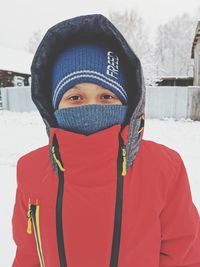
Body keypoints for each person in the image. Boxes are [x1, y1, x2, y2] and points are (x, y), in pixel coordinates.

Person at [12, 14, 200, 267]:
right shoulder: (31, 169)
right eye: (75, 98)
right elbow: (28, 254)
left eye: (106, 96)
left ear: (128, 102)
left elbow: (183, 254)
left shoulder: (164, 167)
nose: (91, 107)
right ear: (53, 107)